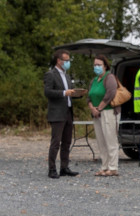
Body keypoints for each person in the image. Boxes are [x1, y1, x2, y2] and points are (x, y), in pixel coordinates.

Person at [44, 49, 81, 178]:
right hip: (57, 114)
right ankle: (52, 169)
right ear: (59, 61)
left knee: (67, 142)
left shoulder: (67, 75)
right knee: (56, 142)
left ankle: (64, 167)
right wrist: (63, 93)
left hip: (68, 112)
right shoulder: (50, 74)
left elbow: (69, 92)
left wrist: (77, 94)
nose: (68, 62)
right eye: (66, 60)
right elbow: (48, 92)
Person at [87, 55, 121, 177]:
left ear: (105, 66)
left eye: (99, 65)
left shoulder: (109, 77)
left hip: (108, 112)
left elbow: (110, 93)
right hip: (96, 114)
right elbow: (89, 96)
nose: (96, 67)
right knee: (101, 141)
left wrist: (99, 108)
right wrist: (92, 108)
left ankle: (113, 167)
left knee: (110, 139)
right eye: (95, 65)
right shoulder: (94, 80)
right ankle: (105, 166)